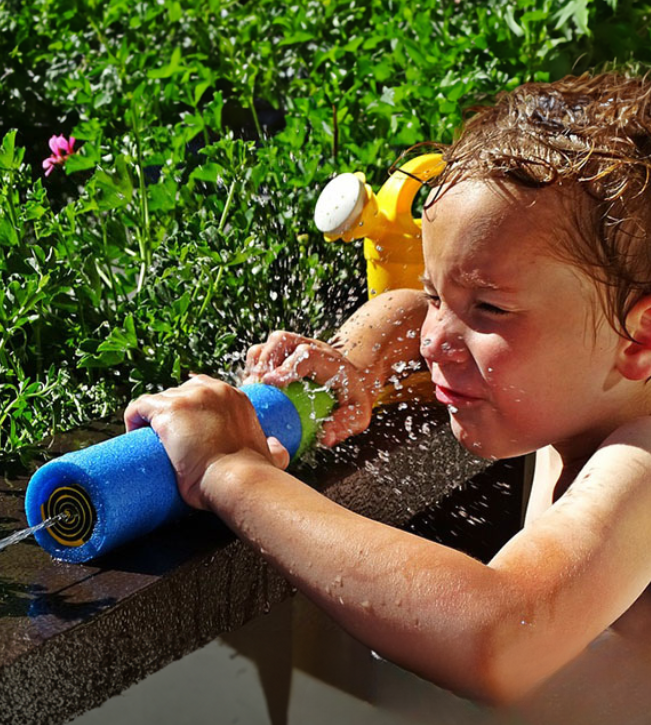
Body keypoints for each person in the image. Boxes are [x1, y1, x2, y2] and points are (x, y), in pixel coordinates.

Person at [123, 72, 651, 705]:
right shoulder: (581, 381)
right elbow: (403, 308)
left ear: (639, 341)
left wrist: (229, 471)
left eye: (487, 308)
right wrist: (358, 362)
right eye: (439, 295)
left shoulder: (642, 464)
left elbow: (498, 640)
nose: (433, 341)